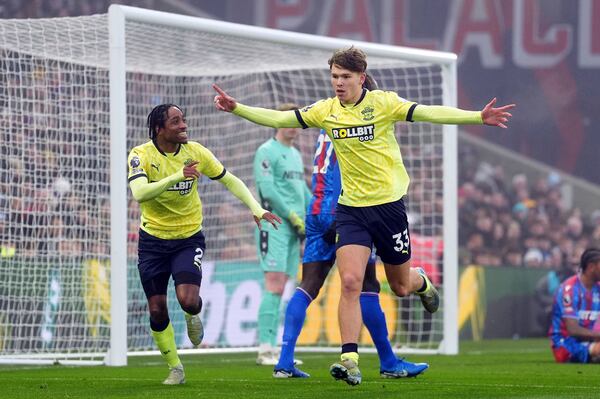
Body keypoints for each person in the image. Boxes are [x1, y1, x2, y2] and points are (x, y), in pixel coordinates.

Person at [213, 46, 515, 386]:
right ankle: (350, 359)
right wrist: (237, 108)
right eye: (334, 77)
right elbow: (282, 119)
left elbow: (429, 112)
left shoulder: (383, 103)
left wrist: (477, 116)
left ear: (361, 76)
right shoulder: (326, 111)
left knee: (400, 286)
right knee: (352, 282)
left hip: (388, 209)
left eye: (344, 77)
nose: (338, 83)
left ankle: (422, 282)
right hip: (351, 210)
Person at [272, 75, 427, 379]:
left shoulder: (324, 121)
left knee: (309, 286)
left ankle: (285, 361)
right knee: (366, 286)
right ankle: (389, 362)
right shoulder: (352, 128)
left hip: (315, 211)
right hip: (346, 211)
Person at [128, 104, 281, 385]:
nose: (183, 125)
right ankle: (175, 367)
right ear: (160, 129)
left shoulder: (196, 152)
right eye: (176, 122)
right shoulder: (141, 155)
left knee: (187, 299)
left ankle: (192, 314)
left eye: (183, 119)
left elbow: (229, 179)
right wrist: (177, 176)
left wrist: (255, 208)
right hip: (152, 242)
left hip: (188, 238)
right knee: (157, 310)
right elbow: (139, 193)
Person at [253, 103, 311, 365]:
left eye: (296, 121)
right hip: (274, 225)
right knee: (274, 285)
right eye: (288, 120)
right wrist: (292, 215)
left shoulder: (295, 154)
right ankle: (265, 348)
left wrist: (317, 211)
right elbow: (267, 190)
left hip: (294, 228)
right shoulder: (266, 151)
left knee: (284, 286)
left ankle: (276, 347)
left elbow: (302, 191)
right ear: (276, 122)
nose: (293, 125)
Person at [549, 248, 600, 363]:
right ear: (591, 267)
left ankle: (594, 355)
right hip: (565, 343)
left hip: (589, 341)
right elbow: (573, 330)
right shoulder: (570, 290)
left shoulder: (598, 288)